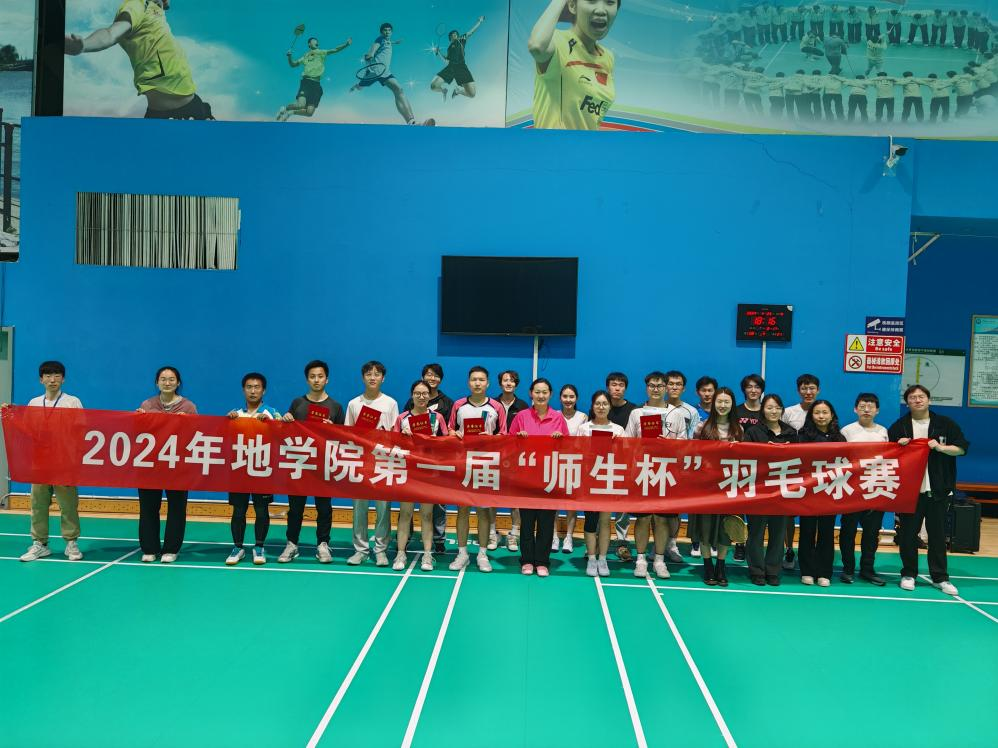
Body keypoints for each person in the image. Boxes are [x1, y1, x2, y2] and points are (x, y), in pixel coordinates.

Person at [64, 0, 214, 120]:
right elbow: (110, 34)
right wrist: (84, 45)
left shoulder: (155, 10)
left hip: (193, 104)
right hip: (168, 114)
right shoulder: (137, 5)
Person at [889, 385, 969, 596]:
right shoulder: (899, 427)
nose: (917, 400)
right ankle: (908, 574)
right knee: (907, 535)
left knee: (937, 536)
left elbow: (961, 449)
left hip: (938, 491)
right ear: (907, 402)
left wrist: (940, 448)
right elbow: (888, 457)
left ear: (929, 400)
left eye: (921, 396)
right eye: (912, 397)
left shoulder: (945, 424)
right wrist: (898, 447)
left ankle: (940, 577)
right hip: (910, 492)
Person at [16, 361, 85, 563]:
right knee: (38, 504)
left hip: (64, 462)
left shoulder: (72, 402)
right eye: (47, 376)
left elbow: (81, 430)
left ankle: (71, 543)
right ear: (41, 380)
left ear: (63, 379)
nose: (52, 380)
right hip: (40, 463)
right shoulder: (34, 403)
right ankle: (40, 543)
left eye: (56, 376)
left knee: (68, 505)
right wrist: (9, 414)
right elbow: (27, 430)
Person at [278, 360, 345, 564]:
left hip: (323, 465)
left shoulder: (335, 407)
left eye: (320, 376)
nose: (316, 380)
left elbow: (343, 439)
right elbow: (286, 432)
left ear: (327, 379)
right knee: (295, 508)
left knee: (324, 508)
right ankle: (291, 543)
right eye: (312, 376)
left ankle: (323, 544)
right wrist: (286, 419)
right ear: (307, 380)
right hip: (299, 464)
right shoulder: (297, 403)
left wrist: (332, 428)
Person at [624, 371, 688, 579]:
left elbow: (684, 445)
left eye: (660, 386)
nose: (656, 389)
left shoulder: (677, 414)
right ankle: (641, 559)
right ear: (646, 388)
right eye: (652, 385)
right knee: (643, 518)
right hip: (642, 470)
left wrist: (669, 445)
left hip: (666, 472)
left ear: (666, 388)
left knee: (661, 519)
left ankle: (659, 560)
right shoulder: (637, 413)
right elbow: (627, 442)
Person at [448, 366, 507, 572]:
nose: (477, 383)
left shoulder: (497, 407)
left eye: (481, 380)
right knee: (462, 510)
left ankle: (482, 554)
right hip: (463, 463)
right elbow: (450, 429)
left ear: (488, 383)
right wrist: (454, 434)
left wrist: (491, 438)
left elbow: (504, 434)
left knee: (483, 511)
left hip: (486, 464)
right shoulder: (458, 405)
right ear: (468, 382)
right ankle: (462, 553)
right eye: (474, 379)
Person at [136, 366, 197, 563]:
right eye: (163, 379)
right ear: (157, 383)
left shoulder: (188, 407)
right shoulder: (147, 404)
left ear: (178, 383)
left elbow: (196, 435)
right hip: (150, 466)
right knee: (148, 508)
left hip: (177, 466)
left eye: (171, 379)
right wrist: (138, 420)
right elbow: (139, 434)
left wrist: (187, 424)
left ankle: (171, 549)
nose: (167, 382)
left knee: (177, 508)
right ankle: (149, 548)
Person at [529, 0, 619, 130]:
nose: (601, 10)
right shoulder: (556, 42)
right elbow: (537, 46)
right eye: (591, 1)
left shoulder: (608, 57)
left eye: (610, 2)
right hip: (553, 142)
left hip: (586, 142)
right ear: (572, 5)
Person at [510, 378, 569, 577]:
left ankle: (542, 562)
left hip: (549, 478)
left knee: (546, 523)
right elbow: (508, 443)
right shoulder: (521, 416)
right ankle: (527, 560)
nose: (541, 396)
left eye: (544, 392)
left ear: (550, 395)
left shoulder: (558, 418)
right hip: (526, 478)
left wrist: (561, 440)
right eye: (537, 392)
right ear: (530, 393)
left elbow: (569, 447)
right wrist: (518, 438)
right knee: (527, 523)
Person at [345, 360, 399, 566]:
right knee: (359, 508)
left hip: (383, 462)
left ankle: (381, 550)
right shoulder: (354, 404)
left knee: (383, 508)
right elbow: (347, 433)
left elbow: (396, 434)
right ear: (363, 378)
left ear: (383, 378)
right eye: (369, 374)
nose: (373, 377)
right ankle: (360, 549)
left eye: (377, 374)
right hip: (361, 461)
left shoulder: (390, 403)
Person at [225, 373, 282, 566]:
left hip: (262, 469)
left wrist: (273, 424)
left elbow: (282, 435)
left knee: (261, 510)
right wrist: (228, 422)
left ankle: (259, 546)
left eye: (257, 387)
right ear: (243, 390)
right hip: (239, 470)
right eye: (249, 387)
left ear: (263, 390)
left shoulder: (272, 413)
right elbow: (225, 438)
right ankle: (237, 547)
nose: (253, 391)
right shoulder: (236, 414)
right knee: (238, 510)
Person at [393, 380, 450, 572]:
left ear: (429, 395)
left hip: (429, 472)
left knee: (427, 515)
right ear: (412, 395)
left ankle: (427, 554)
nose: (421, 397)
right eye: (417, 393)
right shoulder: (402, 418)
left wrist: (435, 441)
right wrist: (402, 437)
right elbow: (393, 445)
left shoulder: (437, 417)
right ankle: (401, 553)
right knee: (405, 514)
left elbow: (447, 443)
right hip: (408, 473)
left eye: (425, 393)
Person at [692, 387, 745, 586]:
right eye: (719, 401)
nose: (723, 405)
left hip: (729, 486)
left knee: (725, 529)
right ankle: (707, 565)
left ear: (732, 405)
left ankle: (721, 566)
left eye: (727, 402)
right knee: (705, 529)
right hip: (706, 487)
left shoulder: (739, 430)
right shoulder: (702, 427)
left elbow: (745, 459)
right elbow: (693, 454)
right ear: (713, 404)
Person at [744, 394, 797, 585]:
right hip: (759, 489)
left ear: (782, 410)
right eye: (769, 407)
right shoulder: (753, 432)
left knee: (778, 532)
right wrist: (764, 450)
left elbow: (800, 460)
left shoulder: (791, 433)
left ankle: (773, 570)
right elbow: (745, 456)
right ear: (762, 410)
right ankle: (757, 570)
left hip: (782, 490)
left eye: (777, 407)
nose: (773, 411)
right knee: (756, 533)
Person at [403, 363, 454, 553]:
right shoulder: (410, 404)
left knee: (438, 502)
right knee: (407, 503)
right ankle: (406, 537)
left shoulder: (447, 403)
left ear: (441, 379)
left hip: (435, 462)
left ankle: (438, 539)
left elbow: (448, 432)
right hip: (412, 462)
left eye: (436, 375)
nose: (432, 378)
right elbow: (400, 432)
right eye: (428, 375)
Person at [838, 393, 888, 585]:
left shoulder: (883, 432)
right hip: (851, 489)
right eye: (862, 406)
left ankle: (867, 569)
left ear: (877, 410)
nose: (866, 410)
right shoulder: (846, 431)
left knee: (871, 533)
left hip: (875, 488)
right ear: (855, 409)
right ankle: (848, 569)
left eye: (871, 406)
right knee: (848, 531)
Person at [797, 399, 845, 587]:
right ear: (811, 416)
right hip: (808, 492)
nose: (821, 416)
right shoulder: (802, 436)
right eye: (817, 413)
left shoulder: (839, 438)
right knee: (807, 531)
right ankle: (807, 570)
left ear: (832, 415)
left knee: (826, 532)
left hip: (829, 492)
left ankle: (825, 572)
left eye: (825, 412)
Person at [350, 22, 434, 126]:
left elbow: (388, 43)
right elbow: (373, 48)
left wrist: (395, 42)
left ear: (391, 32)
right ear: (381, 32)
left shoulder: (388, 41)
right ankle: (355, 87)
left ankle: (412, 122)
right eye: (385, 30)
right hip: (374, 71)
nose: (387, 32)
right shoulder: (380, 39)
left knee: (398, 89)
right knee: (360, 86)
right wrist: (370, 54)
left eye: (389, 30)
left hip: (385, 72)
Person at [579, 390, 624, 577]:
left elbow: (625, 455)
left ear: (610, 406)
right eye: (597, 403)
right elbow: (577, 453)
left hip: (609, 480)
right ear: (592, 406)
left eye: (605, 403)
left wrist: (618, 444)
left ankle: (603, 559)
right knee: (590, 521)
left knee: (605, 521)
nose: (601, 407)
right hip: (589, 480)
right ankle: (591, 558)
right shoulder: (584, 428)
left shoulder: (618, 430)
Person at [277, 36, 352, 121]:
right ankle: (285, 109)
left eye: (317, 41)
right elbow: (293, 64)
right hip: (306, 82)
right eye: (314, 41)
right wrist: (289, 56)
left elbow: (335, 49)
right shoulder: (305, 56)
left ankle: (291, 113)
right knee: (300, 105)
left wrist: (346, 44)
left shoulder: (321, 52)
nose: (316, 42)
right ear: (309, 44)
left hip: (316, 85)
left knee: (309, 112)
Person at [494, 369, 528, 550]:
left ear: (516, 384)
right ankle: (492, 533)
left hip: (515, 458)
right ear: (500, 383)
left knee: (515, 499)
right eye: (505, 380)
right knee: (492, 496)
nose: (508, 383)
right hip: (495, 457)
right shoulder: (492, 404)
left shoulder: (523, 406)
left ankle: (514, 534)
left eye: (512, 380)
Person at [552, 384, 588, 553]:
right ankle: (553, 536)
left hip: (574, 464)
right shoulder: (554, 415)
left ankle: (568, 537)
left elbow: (584, 441)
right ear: (560, 398)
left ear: (576, 398)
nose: (568, 400)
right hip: (554, 463)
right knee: (553, 503)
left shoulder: (583, 417)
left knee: (571, 503)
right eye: (565, 396)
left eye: (571, 396)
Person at [606, 371, 637, 561]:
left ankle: (622, 543)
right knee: (599, 505)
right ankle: (597, 542)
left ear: (625, 388)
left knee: (623, 507)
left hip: (625, 463)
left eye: (621, 385)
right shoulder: (601, 406)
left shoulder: (634, 410)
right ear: (607, 387)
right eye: (613, 384)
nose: (617, 388)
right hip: (602, 464)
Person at [430, 16, 485, 101]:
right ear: (450, 38)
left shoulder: (461, 40)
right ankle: (443, 90)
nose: (454, 35)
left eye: (455, 34)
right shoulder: (449, 49)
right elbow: (446, 61)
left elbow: (471, 32)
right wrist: (439, 53)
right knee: (433, 86)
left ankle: (458, 91)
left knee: (472, 94)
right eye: (452, 35)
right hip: (450, 68)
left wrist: (479, 21)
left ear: (458, 36)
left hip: (461, 67)